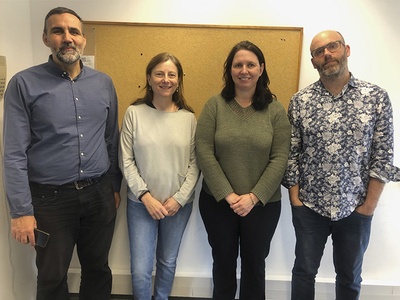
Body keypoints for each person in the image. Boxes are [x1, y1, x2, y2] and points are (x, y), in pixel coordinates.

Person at [3, 7, 122, 300]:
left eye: (74, 32)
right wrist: (21, 212)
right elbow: (14, 153)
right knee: (52, 275)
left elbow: (111, 139)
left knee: (98, 269)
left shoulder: (103, 83)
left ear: (83, 39)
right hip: (50, 201)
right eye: (58, 31)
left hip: (99, 195)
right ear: (46, 38)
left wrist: (114, 187)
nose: (67, 38)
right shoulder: (23, 83)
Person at [283, 30, 400, 300]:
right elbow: (292, 152)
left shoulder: (375, 98)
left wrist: (368, 207)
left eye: (332, 47)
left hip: (355, 207)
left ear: (346, 49)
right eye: (318, 51)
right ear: (313, 61)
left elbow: (382, 154)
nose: (326, 54)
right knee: (303, 272)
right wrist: (296, 200)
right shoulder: (300, 102)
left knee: (349, 277)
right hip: (310, 206)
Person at [195, 40, 291, 300]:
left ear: (261, 69)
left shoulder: (275, 109)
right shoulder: (214, 105)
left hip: (262, 205)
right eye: (238, 65)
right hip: (218, 203)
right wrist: (228, 194)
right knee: (223, 264)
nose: (244, 70)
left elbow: (280, 157)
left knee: (254, 266)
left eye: (250, 64)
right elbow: (203, 151)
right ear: (230, 70)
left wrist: (252, 197)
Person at [119, 52, 200, 300]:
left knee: (167, 261)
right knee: (141, 269)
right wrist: (145, 196)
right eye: (159, 74)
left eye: (171, 75)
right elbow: (126, 160)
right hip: (141, 204)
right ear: (149, 78)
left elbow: (195, 164)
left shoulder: (189, 119)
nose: (166, 80)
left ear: (178, 80)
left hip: (178, 205)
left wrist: (179, 198)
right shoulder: (134, 113)